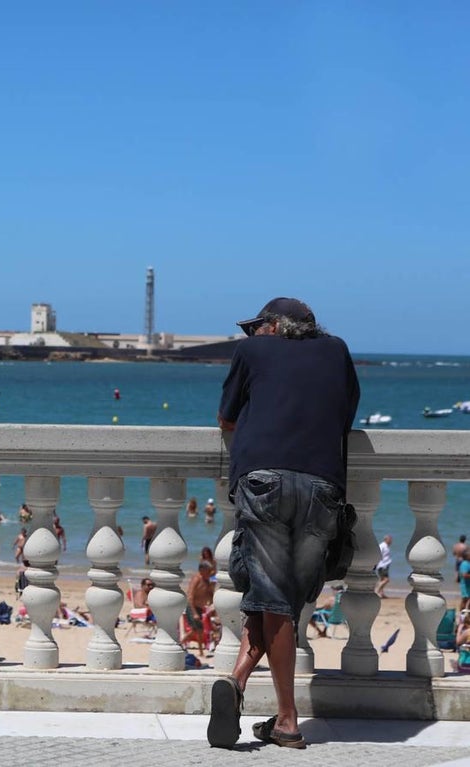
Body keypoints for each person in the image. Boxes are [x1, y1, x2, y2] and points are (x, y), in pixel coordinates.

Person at [208, 297, 360, 751]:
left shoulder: (252, 352)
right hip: (321, 485)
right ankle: (237, 682)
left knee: (273, 597)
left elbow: (226, 418)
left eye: (255, 325)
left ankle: (288, 720)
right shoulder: (337, 350)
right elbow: (344, 416)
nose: (250, 333)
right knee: (284, 599)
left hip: (265, 479)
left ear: (274, 327)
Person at [458, 549, 470, 614]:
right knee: (465, 600)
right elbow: (464, 575)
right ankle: (461, 615)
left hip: (468, 585)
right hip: (465, 585)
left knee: (468, 600)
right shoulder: (465, 563)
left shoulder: (468, 563)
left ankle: (466, 615)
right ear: (467, 556)